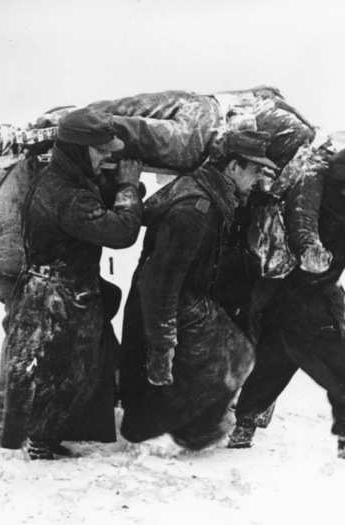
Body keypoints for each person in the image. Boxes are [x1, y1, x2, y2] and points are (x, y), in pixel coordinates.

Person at [227, 145, 345, 461]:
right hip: (315, 310)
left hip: (278, 301)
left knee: (271, 367)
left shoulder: (312, 198)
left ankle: (241, 431)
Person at [0, 107, 143, 459]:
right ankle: (41, 445)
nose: (109, 155)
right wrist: (127, 187)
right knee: (60, 373)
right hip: (59, 298)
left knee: (61, 369)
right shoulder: (69, 195)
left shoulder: (59, 179)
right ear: (79, 149)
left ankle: (42, 438)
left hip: (53, 290)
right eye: (101, 149)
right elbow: (121, 233)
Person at [119, 130, 278, 449]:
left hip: (176, 296)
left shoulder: (206, 188)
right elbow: (161, 280)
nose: (259, 178)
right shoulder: (197, 210)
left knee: (230, 352)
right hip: (167, 300)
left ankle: (175, 427)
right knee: (235, 355)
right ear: (233, 167)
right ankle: (190, 432)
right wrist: (161, 344)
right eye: (255, 170)